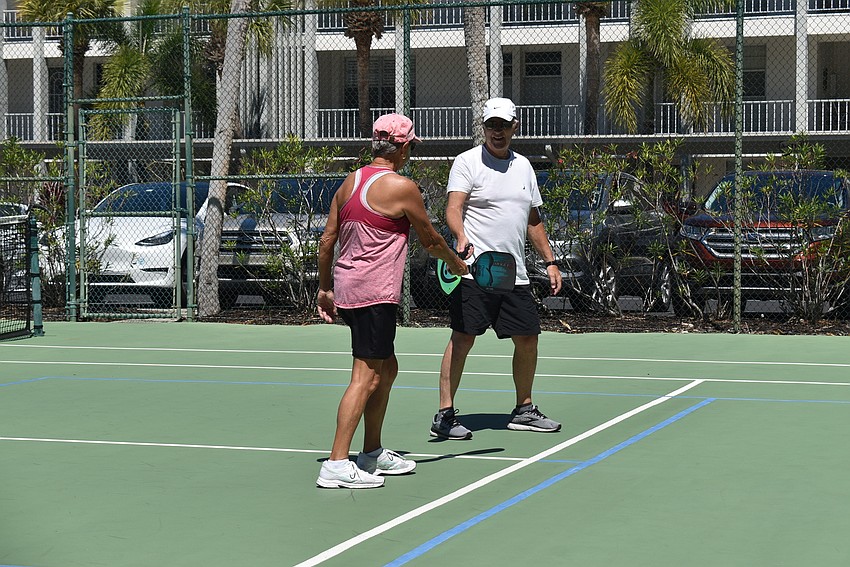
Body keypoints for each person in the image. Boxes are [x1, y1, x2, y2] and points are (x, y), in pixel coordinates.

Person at [316, 113, 468, 488]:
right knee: (365, 378)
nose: (410, 153)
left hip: (350, 288)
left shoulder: (349, 182)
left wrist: (324, 289)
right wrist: (458, 264)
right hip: (372, 292)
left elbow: (326, 241)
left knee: (388, 367)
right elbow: (431, 240)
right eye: (410, 147)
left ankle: (371, 453)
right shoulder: (402, 187)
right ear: (401, 148)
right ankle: (336, 463)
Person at [430, 97, 564, 440]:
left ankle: (524, 410)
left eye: (503, 125)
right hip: (476, 269)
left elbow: (533, 221)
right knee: (463, 338)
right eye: (492, 126)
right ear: (484, 128)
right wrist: (459, 236)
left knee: (528, 339)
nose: (498, 132)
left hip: (513, 273)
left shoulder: (524, 168)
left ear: (514, 127)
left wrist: (550, 261)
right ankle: (444, 415)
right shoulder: (467, 162)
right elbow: (453, 208)